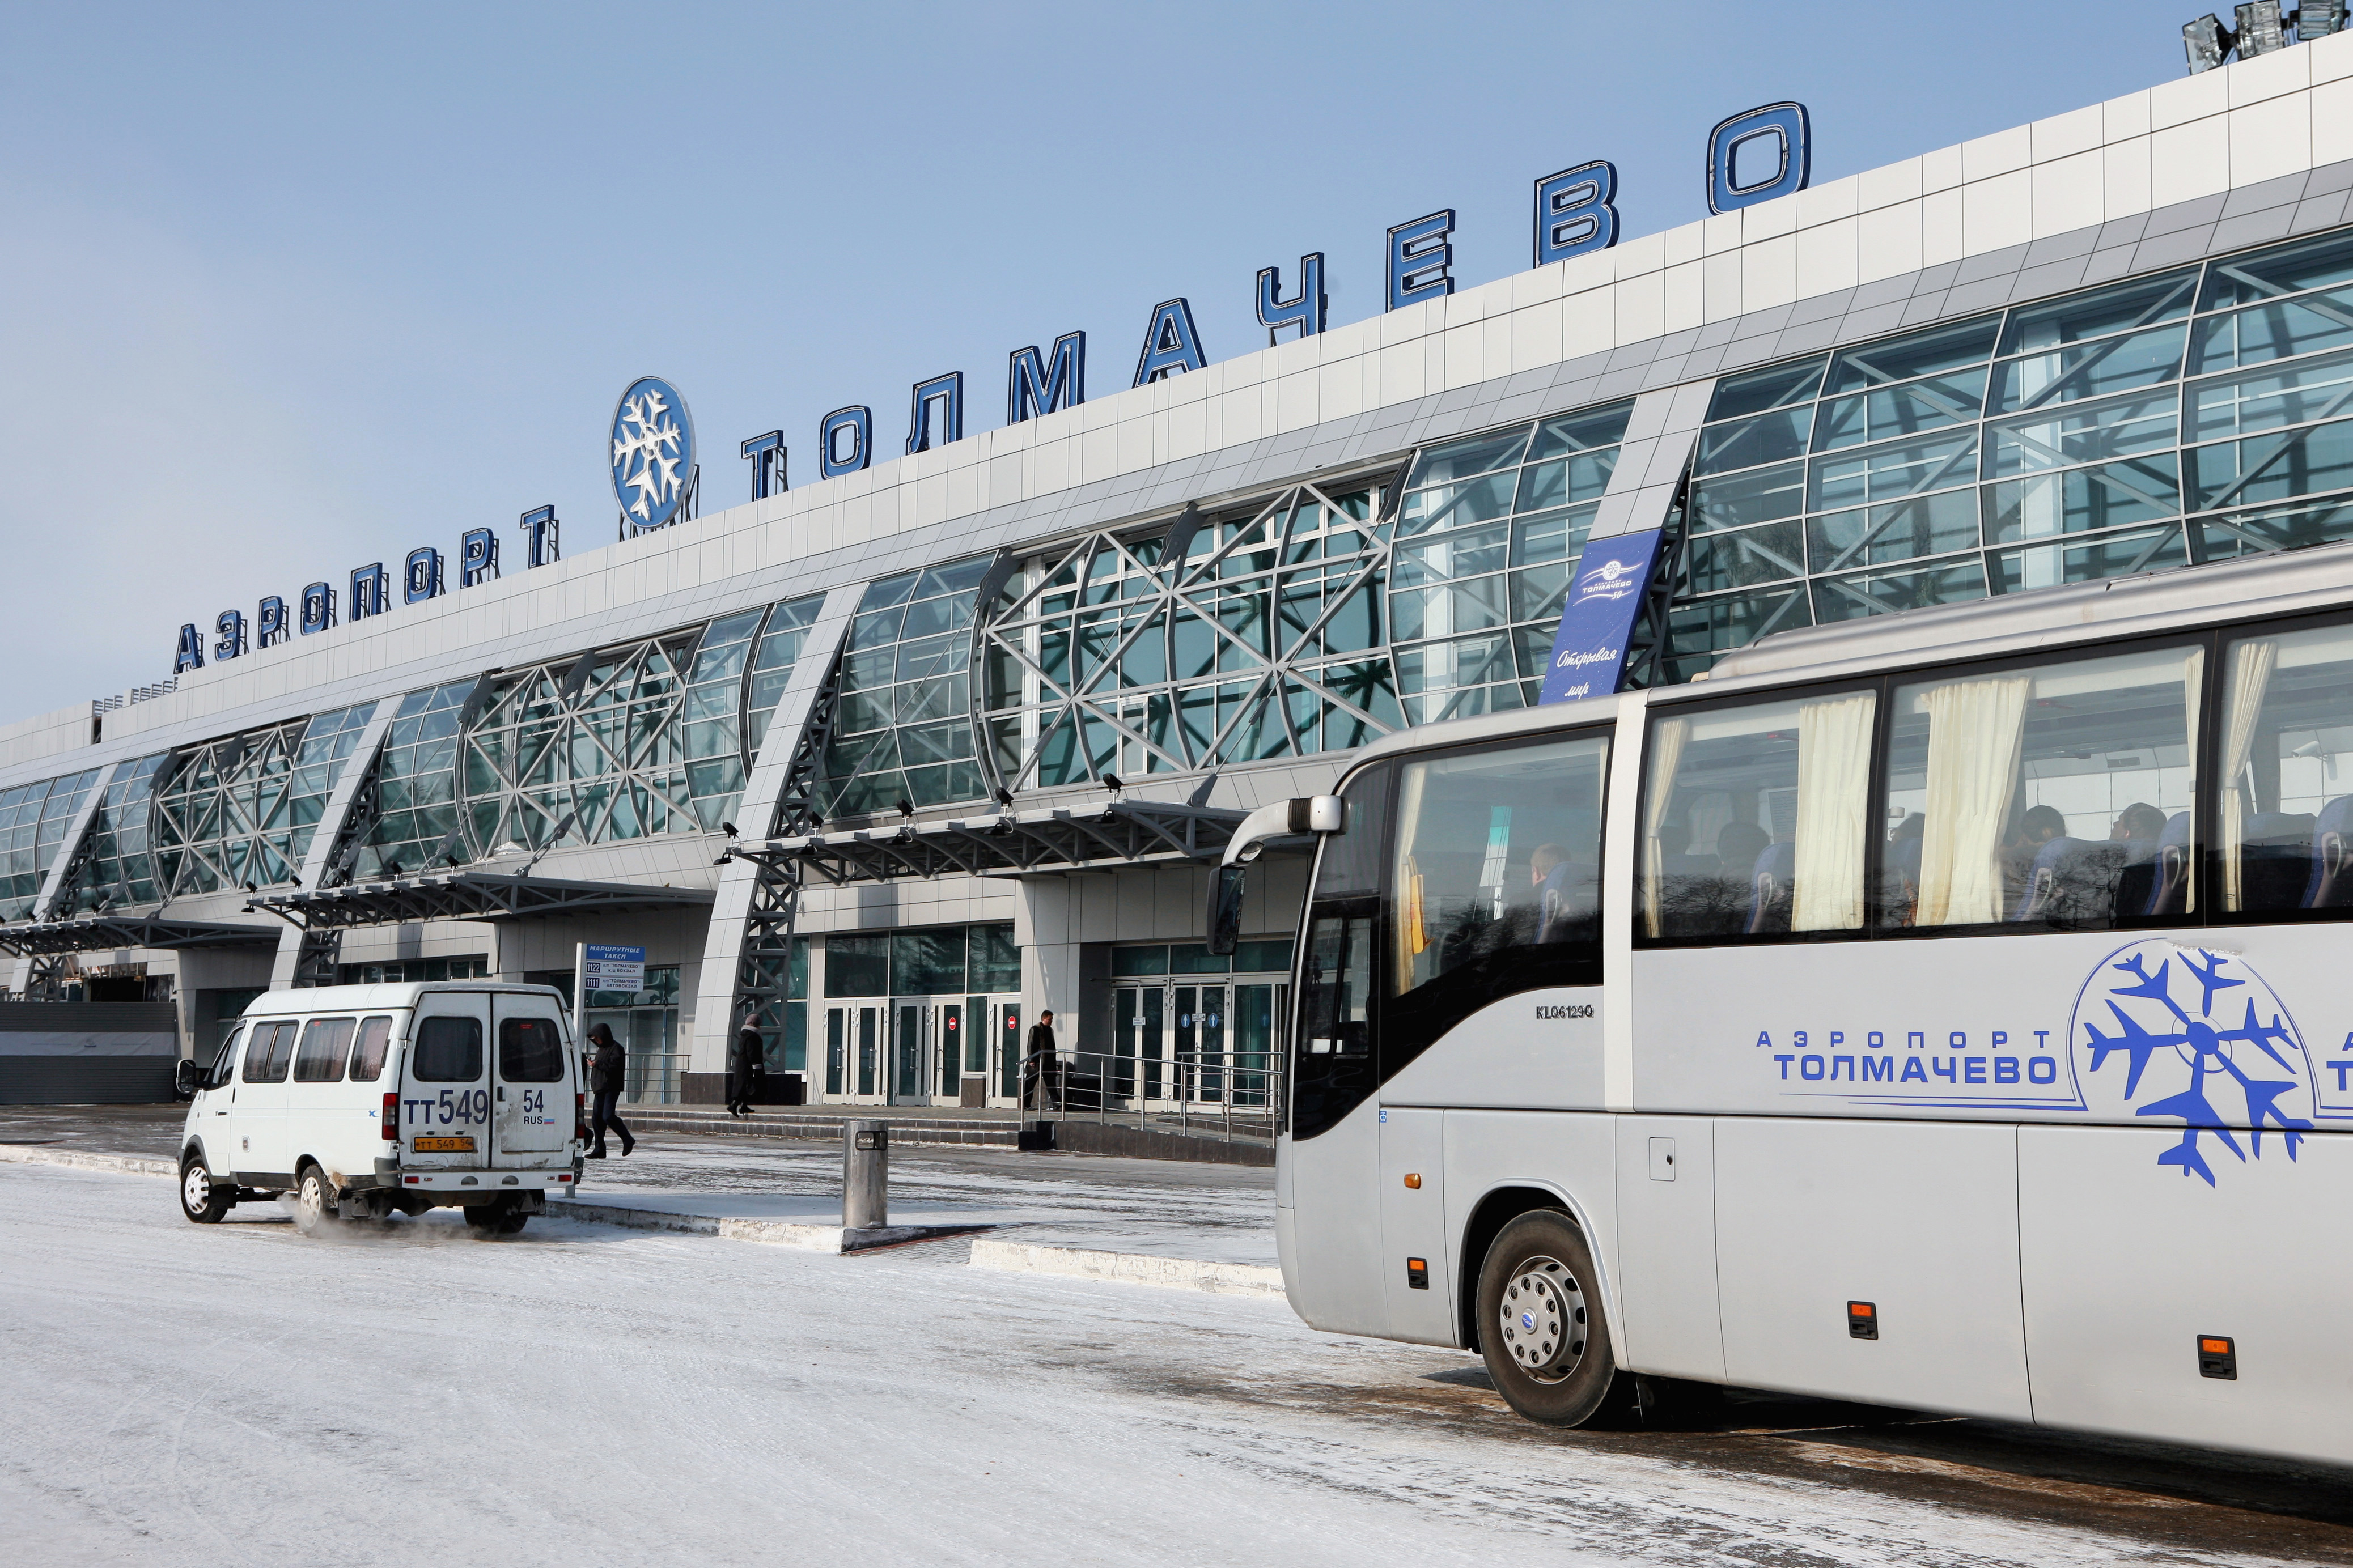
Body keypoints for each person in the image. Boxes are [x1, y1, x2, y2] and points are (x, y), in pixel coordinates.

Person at [586, 1022, 633, 1158]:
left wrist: (597, 1064)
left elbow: (614, 1067)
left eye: (597, 1039)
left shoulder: (617, 1048)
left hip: (612, 1087)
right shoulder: (601, 1049)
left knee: (608, 1116)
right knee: (596, 1119)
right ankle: (600, 1149)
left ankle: (627, 1139)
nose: (597, 1042)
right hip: (600, 1088)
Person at [1023, 1010, 1059, 1111]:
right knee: (1030, 1083)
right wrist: (1031, 1060)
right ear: (1044, 1019)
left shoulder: (1050, 1030)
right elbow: (1031, 1045)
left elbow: (1052, 1046)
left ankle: (1057, 1102)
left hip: (1048, 1062)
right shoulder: (1035, 1029)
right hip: (1037, 1062)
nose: (1051, 1021)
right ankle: (1026, 1104)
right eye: (1049, 1019)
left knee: (1051, 1083)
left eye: (1052, 1019)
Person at [727, 1025, 764, 1116]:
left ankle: (744, 1106)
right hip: (748, 1065)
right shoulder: (752, 1036)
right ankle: (734, 1105)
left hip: (743, 1065)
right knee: (746, 1085)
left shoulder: (745, 1035)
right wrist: (756, 1064)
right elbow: (751, 1051)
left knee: (746, 1086)